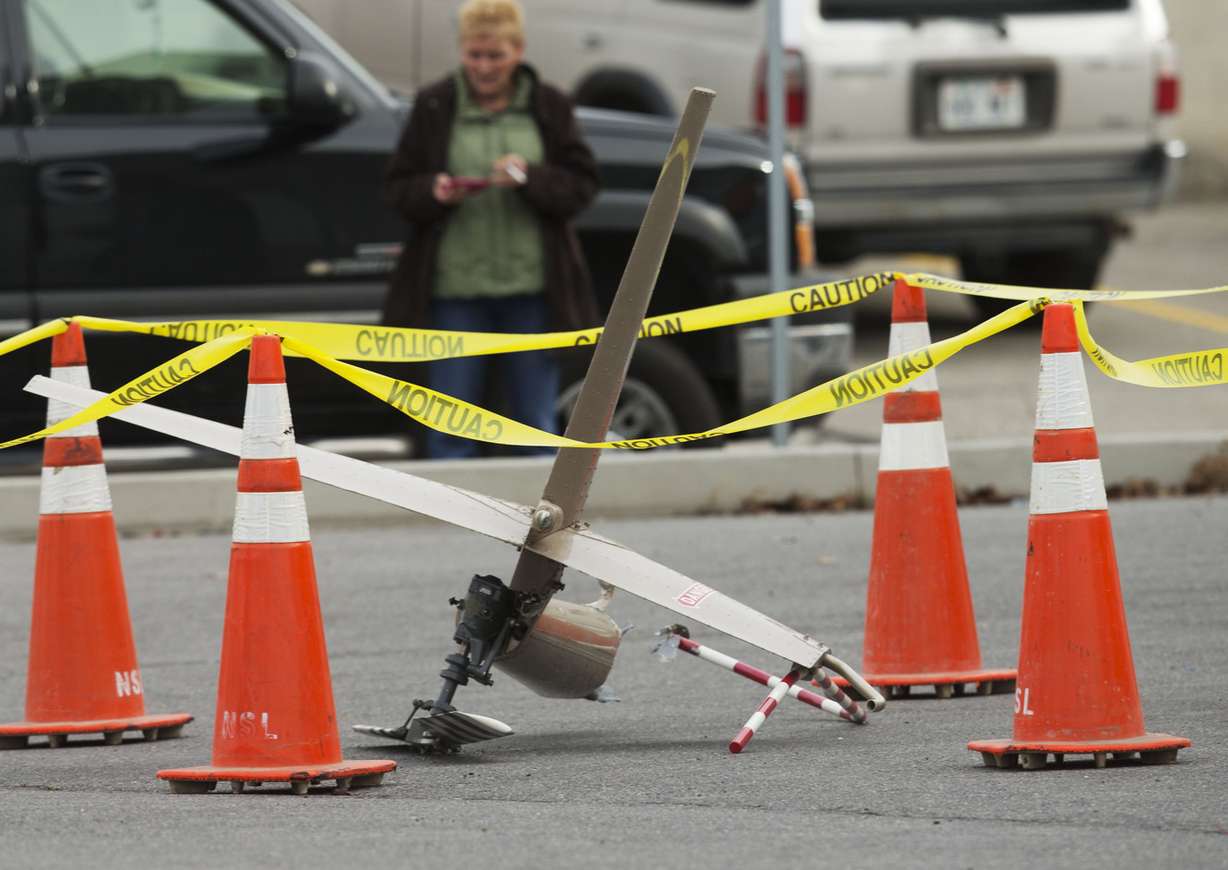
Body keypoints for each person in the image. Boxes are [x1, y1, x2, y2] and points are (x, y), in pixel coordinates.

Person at [382, 0, 600, 459]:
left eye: (495, 56)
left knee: (532, 424)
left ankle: (540, 524)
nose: (484, 67)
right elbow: (398, 189)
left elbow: (582, 186)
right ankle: (448, 523)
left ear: (518, 51)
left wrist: (531, 177)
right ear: (462, 52)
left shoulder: (550, 105)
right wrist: (434, 191)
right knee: (449, 423)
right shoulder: (435, 103)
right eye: (474, 55)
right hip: (455, 294)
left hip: (532, 292)